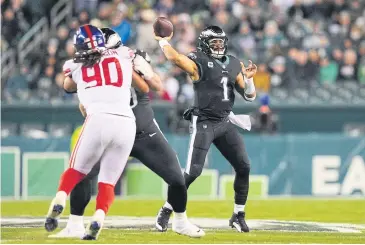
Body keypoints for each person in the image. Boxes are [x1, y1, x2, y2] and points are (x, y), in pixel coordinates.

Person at [49, 28, 205, 239]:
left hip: (141, 130)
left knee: (176, 178)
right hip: (117, 125)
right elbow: (73, 89)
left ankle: (180, 221)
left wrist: (131, 69)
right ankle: (75, 223)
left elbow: (153, 86)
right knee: (81, 176)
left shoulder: (128, 57)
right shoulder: (101, 62)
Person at [44, 24, 148, 240]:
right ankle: (99, 216)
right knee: (108, 181)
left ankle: (60, 199)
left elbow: (67, 86)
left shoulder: (74, 65)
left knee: (76, 171)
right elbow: (141, 75)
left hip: (98, 120)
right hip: (127, 122)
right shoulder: (122, 57)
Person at [155, 25, 257, 232]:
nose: (219, 47)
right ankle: (167, 209)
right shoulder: (198, 60)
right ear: (205, 44)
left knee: (244, 166)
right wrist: (163, 41)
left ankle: (238, 214)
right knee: (193, 172)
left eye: (221, 43)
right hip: (204, 122)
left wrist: (250, 80)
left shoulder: (234, 63)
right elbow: (175, 59)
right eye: (214, 43)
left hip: (225, 121)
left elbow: (249, 95)